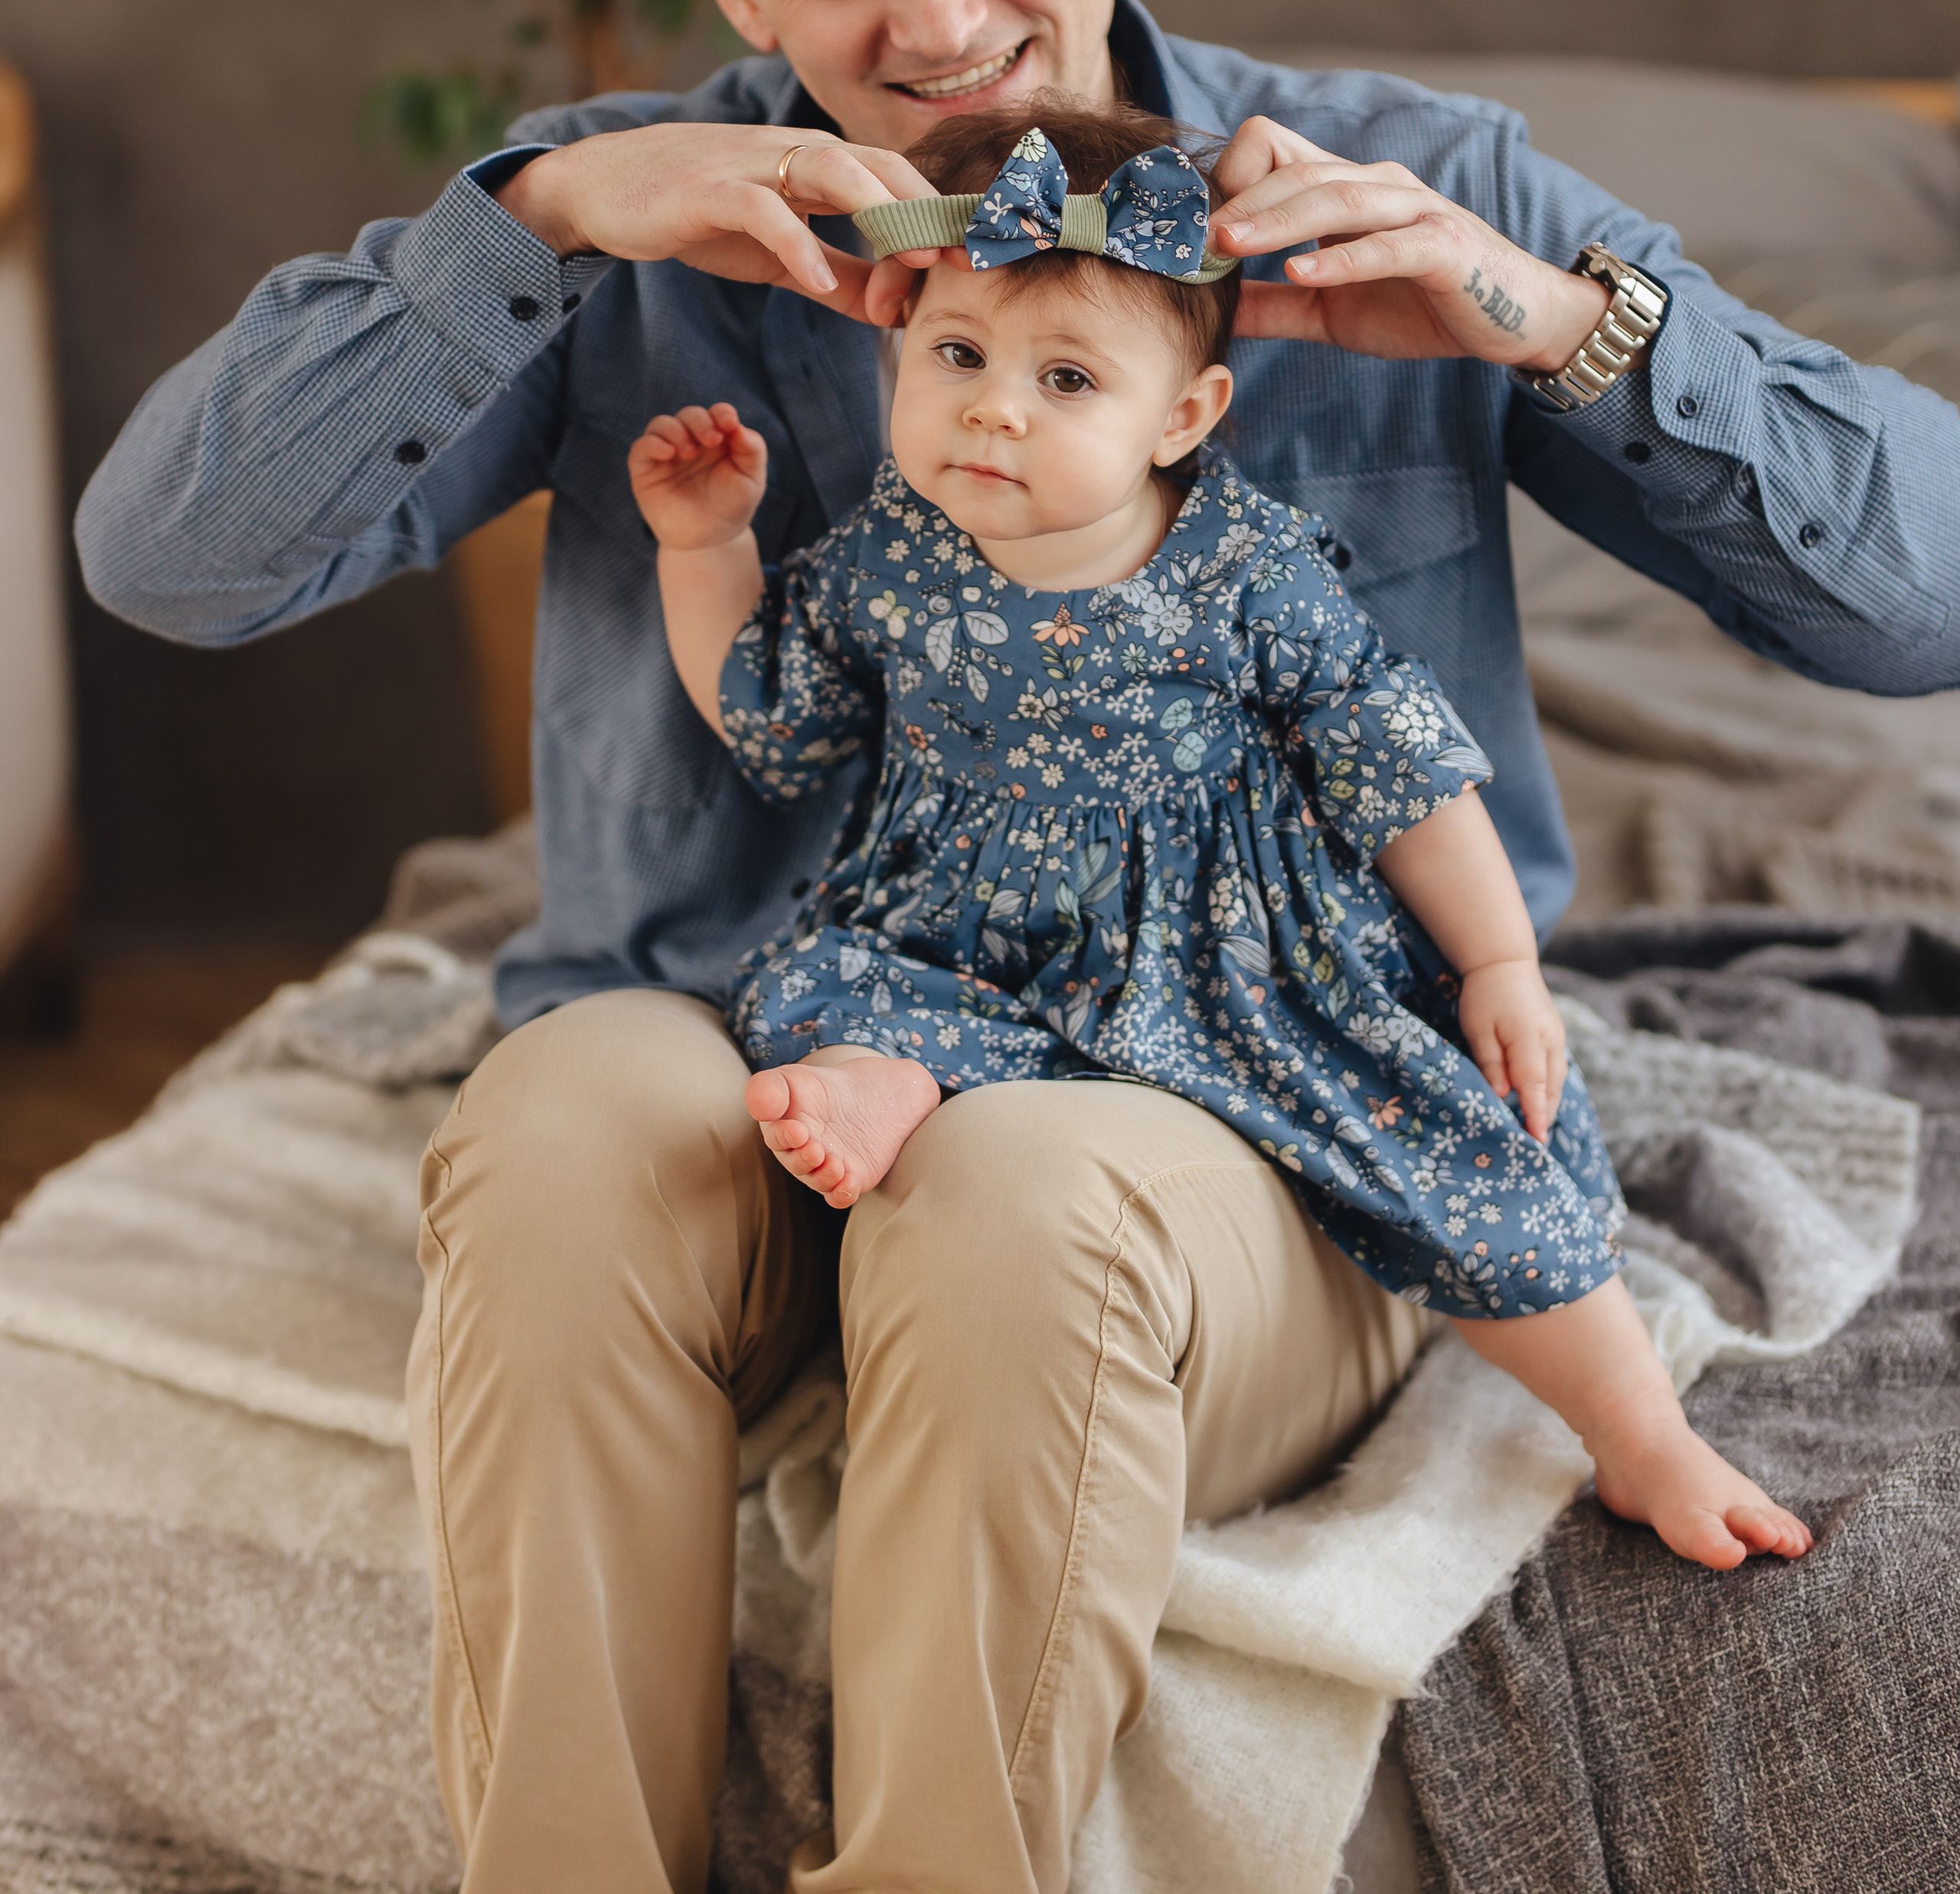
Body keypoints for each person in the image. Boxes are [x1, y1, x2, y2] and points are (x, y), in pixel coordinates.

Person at [76, 0, 1958, 1894]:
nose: (944, 25)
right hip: (749, 1069)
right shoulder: (623, 221)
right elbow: (163, 560)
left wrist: (1550, 320)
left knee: (1024, 1185)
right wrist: (540, 222)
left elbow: (1925, 602)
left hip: (1227, 1133)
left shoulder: (1394, 182)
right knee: (560, 1117)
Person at [631, 93, 1812, 1576]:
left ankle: (1639, 1432)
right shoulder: (887, 557)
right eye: (955, 356)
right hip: (964, 951)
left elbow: (1397, 765)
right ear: (897, 355)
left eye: (1067, 377)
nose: (994, 407)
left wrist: (1498, 960)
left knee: (1462, 1149)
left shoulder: (1240, 571)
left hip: (1233, 965)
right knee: (804, 995)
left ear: (1179, 420)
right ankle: (898, 1084)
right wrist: (703, 548)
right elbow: (771, 719)